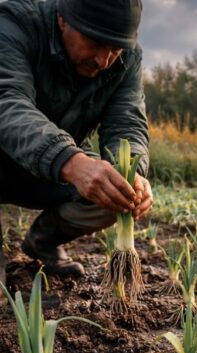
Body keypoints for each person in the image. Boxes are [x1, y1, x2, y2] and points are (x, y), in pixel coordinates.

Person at [0, 0, 153, 287]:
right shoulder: (13, 24)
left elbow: (127, 123)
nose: (103, 61)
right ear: (62, 19)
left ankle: (43, 241)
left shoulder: (127, 58)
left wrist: (132, 171)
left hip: (49, 170)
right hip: (17, 159)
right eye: (95, 43)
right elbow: (7, 101)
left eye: (115, 49)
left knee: (116, 190)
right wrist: (69, 160)